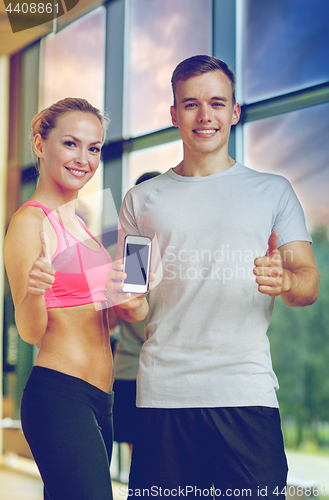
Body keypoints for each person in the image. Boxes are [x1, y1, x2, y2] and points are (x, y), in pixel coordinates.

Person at [107, 55, 319, 498]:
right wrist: (125, 299)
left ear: (235, 112)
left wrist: (285, 281)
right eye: (191, 104)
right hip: (164, 395)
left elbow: (308, 282)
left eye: (217, 103)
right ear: (173, 114)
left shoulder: (272, 190)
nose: (205, 115)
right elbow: (134, 300)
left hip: (246, 391)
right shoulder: (141, 201)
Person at [3, 98, 115, 500]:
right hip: (60, 396)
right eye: (70, 143)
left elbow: (99, 321)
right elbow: (31, 331)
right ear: (39, 144)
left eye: (94, 147)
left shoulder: (82, 223)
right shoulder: (29, 222)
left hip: (101, 398)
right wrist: (34, 291)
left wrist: (130, 296)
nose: (83, 158)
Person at [109, 171, 160, 454]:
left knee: (141, 457)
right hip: (139, 369)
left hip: (130, 369)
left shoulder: (120, 250)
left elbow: (111, 322)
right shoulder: (144, 251)